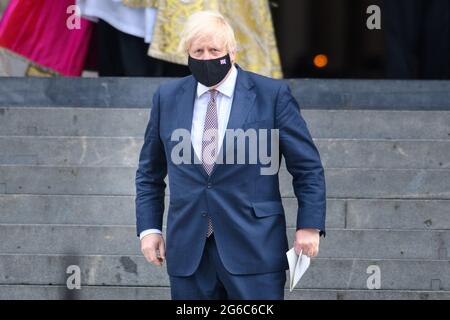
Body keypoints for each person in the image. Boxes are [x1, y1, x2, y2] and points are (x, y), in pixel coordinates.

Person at [135, 10, 326, 300]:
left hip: (255, 249)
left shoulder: (271, 95)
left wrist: (309, 225)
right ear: (187, 54)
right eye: (198, 51)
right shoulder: (167, 97)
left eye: (215, 50)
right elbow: (149, 173)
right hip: (190, 253)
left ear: (232, 52)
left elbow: (307, 168)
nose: (207, 57)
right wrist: (149, 229)